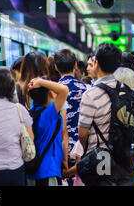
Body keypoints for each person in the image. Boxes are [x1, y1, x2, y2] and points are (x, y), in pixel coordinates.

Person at [78, 43, 133, 186]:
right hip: (123, 156)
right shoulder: (126, 90)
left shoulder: (90, 95)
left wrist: (86, 150)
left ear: (96, 63)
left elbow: (82, 133)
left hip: (100, 159)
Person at [53, 49, 88, 184]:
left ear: (56, 67)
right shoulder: (86, 89)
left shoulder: (54, 91)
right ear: (75, 65)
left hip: (62, 149)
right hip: (83, 148)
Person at [26, 76, 69, 186]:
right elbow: (64, 90)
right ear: (50, 93)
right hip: (48, 171)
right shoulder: (49, 113)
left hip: (32, 173)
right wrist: (40, 82)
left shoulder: (33, 110)